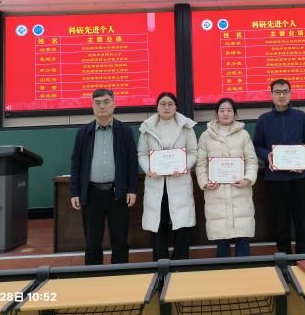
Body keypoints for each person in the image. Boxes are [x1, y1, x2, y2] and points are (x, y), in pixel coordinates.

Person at [70, 88, 138, 265]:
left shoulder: (125, 131)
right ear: (92, 106)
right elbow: (76, 163)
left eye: (106, 102)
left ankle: (120, 276)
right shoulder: (83, 133)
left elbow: (132, 162)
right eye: (97, 103)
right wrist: (75, 192)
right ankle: (94, 277)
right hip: (91, 194)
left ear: (114, 104)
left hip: (118, 194)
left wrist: (132, 189)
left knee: (120, 241)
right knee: (92, 243)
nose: (102, 106)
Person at [253, 79, 305, 254]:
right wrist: (267, 155)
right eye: (278, 92)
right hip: (275, 180)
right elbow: (257, 145)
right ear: (271, 95)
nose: (282, 95)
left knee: (302, 222)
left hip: (300, 178)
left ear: (290, 93)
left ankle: (304, 259)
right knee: (281, 223)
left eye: (285, 91)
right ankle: (284, 261)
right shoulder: (263, 120)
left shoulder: (300, 116)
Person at [137, 92, 197, 260]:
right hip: (156, 183)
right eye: (162, 104)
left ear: (175, 107)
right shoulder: (147, 128)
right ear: (157, 107)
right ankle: (160, 265)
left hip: (179, 182)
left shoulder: (186, 126)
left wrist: (183, 166)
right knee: (158, 225)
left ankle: (181, 265)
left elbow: (193, 152)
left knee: (182, 225)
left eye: (170, 104)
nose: (166, 107)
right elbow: (142, 154)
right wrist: (149, 168)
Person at [196, 98, 258, 257]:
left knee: (242, 239)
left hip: (240, 192)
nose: (225, 113)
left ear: (234, 113)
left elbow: (252, 161)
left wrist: (248, 179)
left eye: (229, 110)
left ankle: (245, 270)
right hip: (216, 194)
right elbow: (201, 164)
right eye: (222, 110)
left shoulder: (243, 135)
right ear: (216, 113)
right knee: (221, 240)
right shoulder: (205, 136)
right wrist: (205, 182)